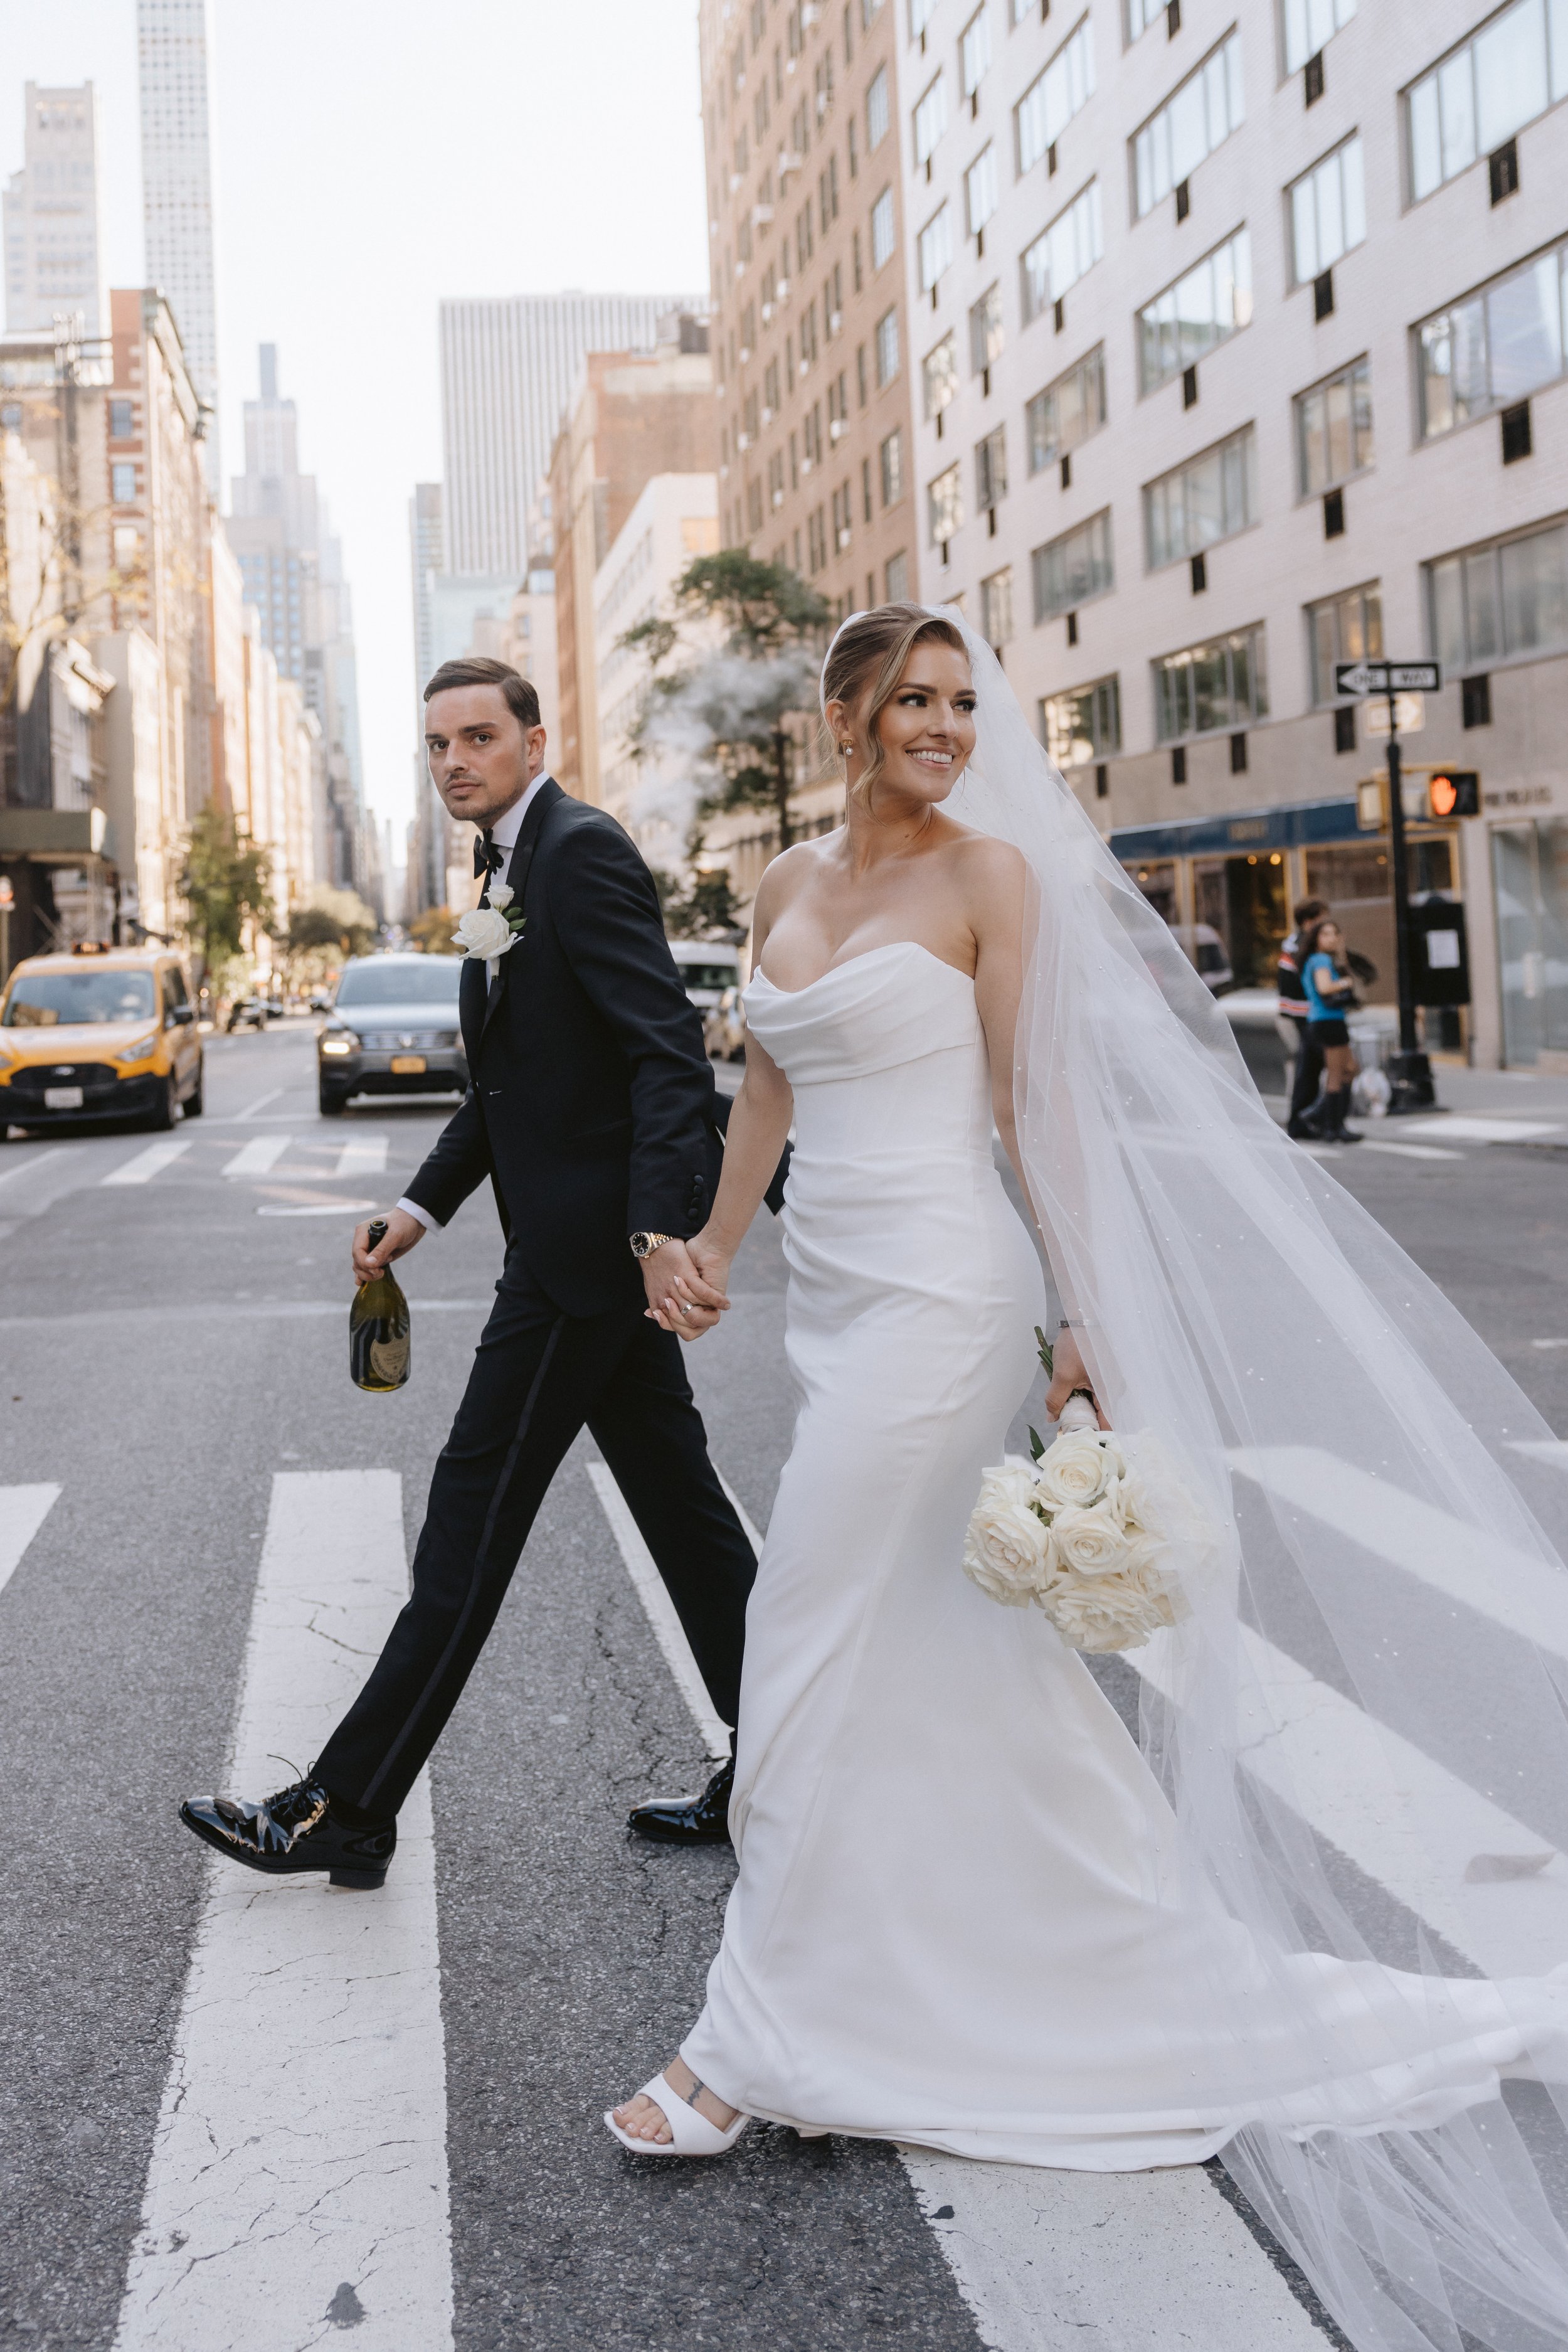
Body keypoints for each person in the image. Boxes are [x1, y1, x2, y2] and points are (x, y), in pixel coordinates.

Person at [607, 605, 1568, 2352]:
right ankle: (1026, 1952)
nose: (948, 730)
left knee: (802, 1634)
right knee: (937, 1660)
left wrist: (1085, 1317)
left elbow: (1034, 1107)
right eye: (916, 702)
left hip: (951, 1299)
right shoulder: (778, 892)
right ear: (842, 716)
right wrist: (713, 1247)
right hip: (834, 1301)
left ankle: (747, 2040)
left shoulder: (991, 880)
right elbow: (760, 1084)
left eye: (966, 707)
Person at [181, 655, 783, 1881]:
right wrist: (419, 1206)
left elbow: (667, 1053)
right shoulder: (505, 865)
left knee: (463, 1531)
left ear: (532, 737)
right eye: (438, 742)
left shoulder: (577, 851)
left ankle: (342, 1802)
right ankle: (784, 1767)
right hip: (578, 1255)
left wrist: (649, 1233)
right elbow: (513, 1083)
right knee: (688, 1520)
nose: (455, 759)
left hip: (578, 1268)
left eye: (477, 737)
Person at [1296, 913, 1361, 1144]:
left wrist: (1341, 951)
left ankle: (1322, 1117)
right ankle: (1333, 1126)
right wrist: (1345, 983)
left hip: (1327, 1021)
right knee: (1336, 1076)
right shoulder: (1321, 960)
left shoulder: (1318, 960)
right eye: (1326, 934)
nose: (1332, 938)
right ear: (1316, 938)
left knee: (1350, 1069)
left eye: (1335, 934)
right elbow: (1325, 988)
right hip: (1328, 1021)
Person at [1276, 896, 1328, 1138]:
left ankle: (1305, 1118)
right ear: (1309, 921)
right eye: (1321, 919)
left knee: (1311, 1067)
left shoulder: (1294, 944)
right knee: (1309, 1067)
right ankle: (1304, 1118)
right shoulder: (1301, 947)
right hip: (1304, 1012)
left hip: (1298, 1011)